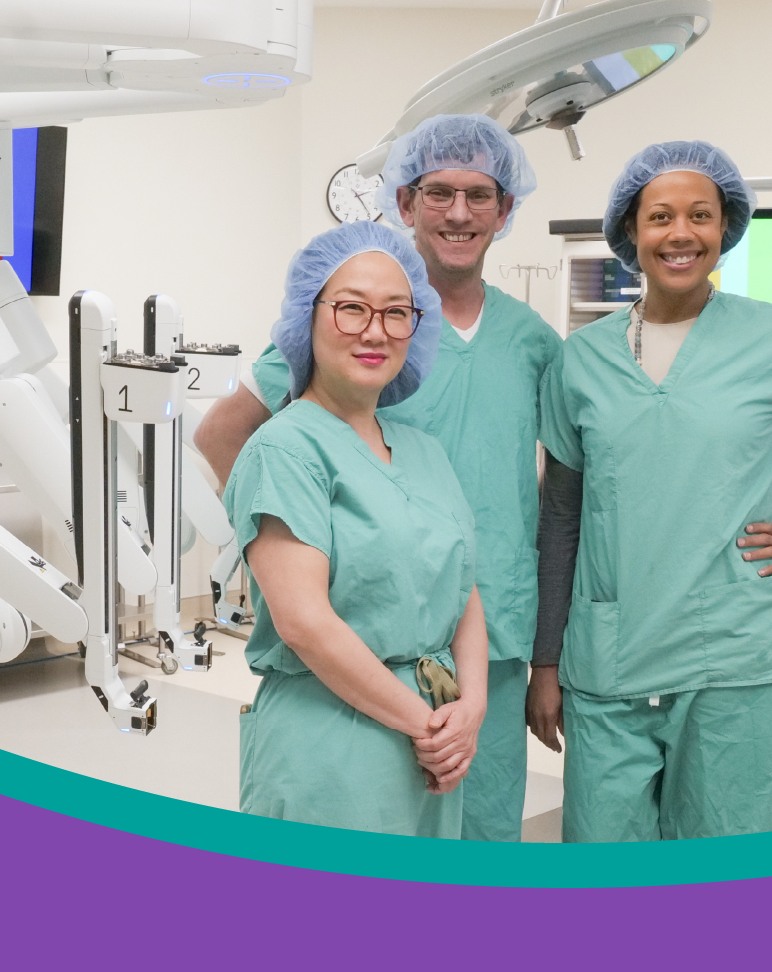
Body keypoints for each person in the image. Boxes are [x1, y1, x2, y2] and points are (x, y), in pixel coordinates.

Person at [528, 141, 772, 842]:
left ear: (725, 229)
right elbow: (561, 517)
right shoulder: (579, 362)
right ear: (630, 229)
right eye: (660, 216)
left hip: (734, 666)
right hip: (608, 661)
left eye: (699, 215)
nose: (680, 233)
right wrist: (546, 661)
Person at [196, 114, 561, 842]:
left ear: (505, 209)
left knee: (480, 839)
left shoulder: (531, 345)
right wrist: (305, 546)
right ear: (403, 203)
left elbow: (558, 498)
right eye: (438, 193)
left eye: (479, 195)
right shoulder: (324, 369)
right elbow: (221, 435)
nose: (375, 330)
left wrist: (540, 659)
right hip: (351, 658)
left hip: (482, 652)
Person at [225, 220, 488, 836]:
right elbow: (306, 625)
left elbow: (463, 590)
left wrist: (470, 706)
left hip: (432, 740)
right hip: (333, 742)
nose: (376, 331)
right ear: (305, 320)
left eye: (398, 313)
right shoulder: (285, 450)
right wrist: (429, 728)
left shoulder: (423, 451)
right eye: (351, 309)